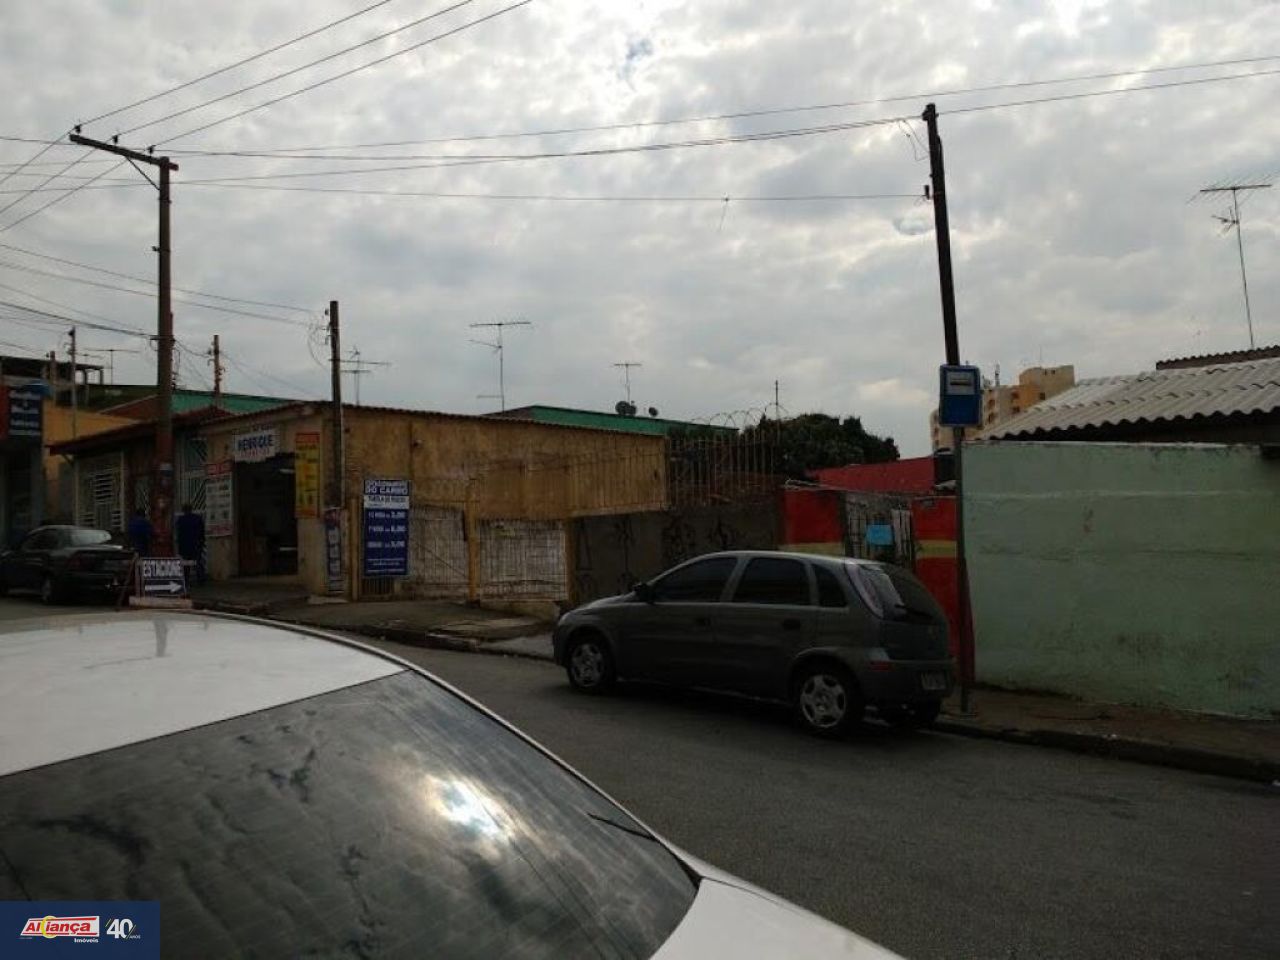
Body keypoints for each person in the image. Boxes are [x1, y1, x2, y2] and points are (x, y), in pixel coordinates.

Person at [175, 503, 206, 585]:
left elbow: (179, 533)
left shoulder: (181, 520)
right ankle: (201, 579)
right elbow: (202, 532)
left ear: (184, 511)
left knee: (186, 563)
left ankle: (186, 580)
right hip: (196, 544)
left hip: (185, 545)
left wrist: (179, 545)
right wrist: (202, 542)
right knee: (198, 562)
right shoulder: (197, 518)